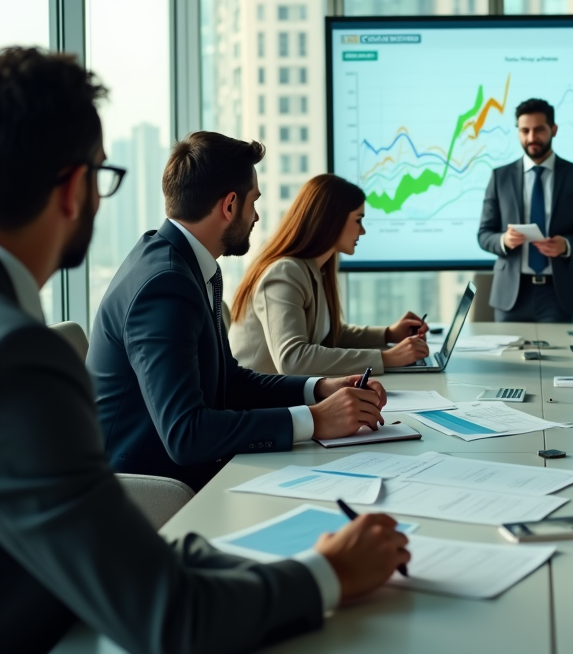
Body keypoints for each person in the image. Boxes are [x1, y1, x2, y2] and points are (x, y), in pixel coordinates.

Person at [0, 47, 409, 653]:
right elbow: (170, 611)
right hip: (151, 507)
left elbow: (228, 380)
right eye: (101, 175)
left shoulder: (185, 268)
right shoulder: (40, 349)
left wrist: (313, 393)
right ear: (72, 188)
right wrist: (330, 573)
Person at [89, 131, 389, 492]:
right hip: (149, 492)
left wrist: (320, 389)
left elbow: (230, 382)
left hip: (184, 473)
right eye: (254, 202)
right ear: (230, 206)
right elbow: (187, 434)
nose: (257, 216)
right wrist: (314, 421)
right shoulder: (165, 284)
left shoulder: (183, 265)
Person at [229, 173, 429, 375]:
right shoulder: (285, 273)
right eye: (358, 220)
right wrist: (387, 358)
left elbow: (332, 334)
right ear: (333, 221)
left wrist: (389, 333)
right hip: (259, 402)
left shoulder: (317, 268)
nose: (362, 231)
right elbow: (293, 359)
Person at [478, 98, 573, 323]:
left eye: (539, 130)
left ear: (553, 130)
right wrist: (504, 240)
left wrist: (566, 245)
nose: (531, 138)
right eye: (524, 130)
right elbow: (484, 235)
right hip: (511, 294)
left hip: (558, 293)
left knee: (558, 357)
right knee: (505, 358)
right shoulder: (500, 177)